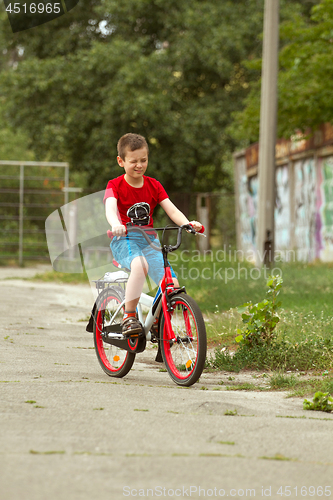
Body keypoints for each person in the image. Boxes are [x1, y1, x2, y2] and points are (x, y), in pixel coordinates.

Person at [104, 133, 202, 337]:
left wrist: (187, 224)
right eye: (133, 161)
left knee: (171, 284)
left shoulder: (153, 185)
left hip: (150, 240)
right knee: (140, 266)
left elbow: (172, 210)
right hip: (124, 238)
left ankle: (157, 321)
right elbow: (110, 209)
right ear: (121, 161)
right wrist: (116, 224)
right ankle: (129, 316)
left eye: (143, 160)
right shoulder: (115, 185)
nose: (139, 165)